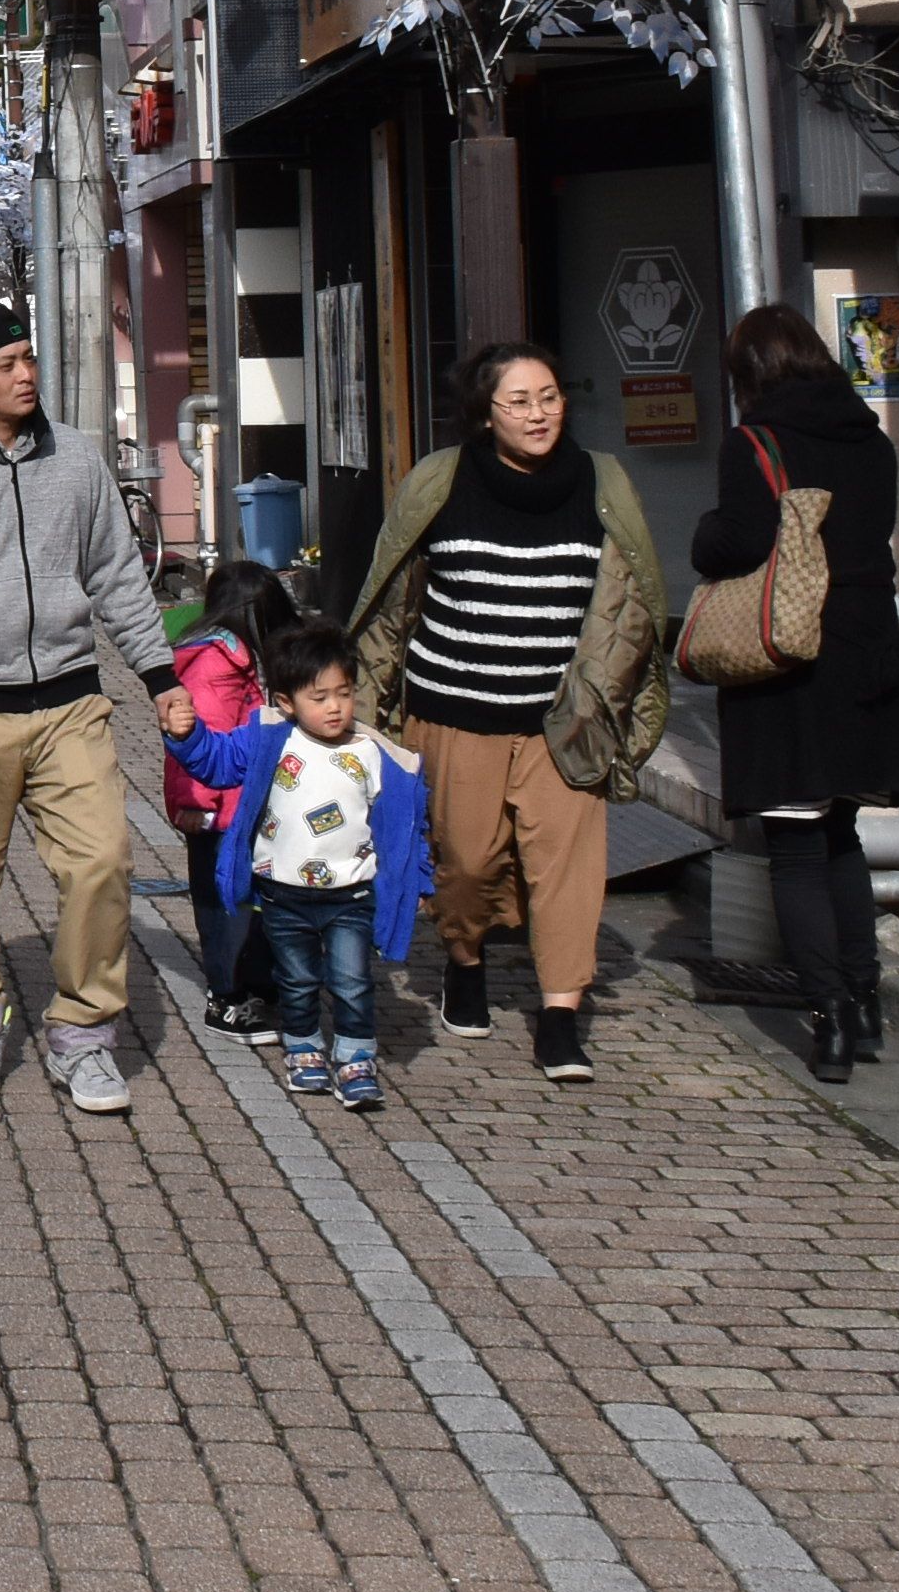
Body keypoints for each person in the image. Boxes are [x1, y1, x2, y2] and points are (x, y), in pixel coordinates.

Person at [0, 293, 198, 1111]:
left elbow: (120, 577)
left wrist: (158, 676)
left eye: (29, 360)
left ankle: (83, 1037)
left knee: (102, 865)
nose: (26, 376)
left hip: (71, 709)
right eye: (5, 365)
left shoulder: (80, 460)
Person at [346, 341, 671, 1085]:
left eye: (550, 396)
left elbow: (635, 598)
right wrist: (368, 701)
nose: (539, 413)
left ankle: (561, 1017)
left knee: (568, 872)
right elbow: (392, 597)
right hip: (454, 710)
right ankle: (465, 961)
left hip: (564, 720)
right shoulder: (441, 481)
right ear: (486, 413)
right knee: (464, 865)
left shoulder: (603, 482)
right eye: (520, 401)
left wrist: (617, 694)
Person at [690, 302, 899, 1083]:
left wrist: (702, 535)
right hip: (867, 660)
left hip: (792, 664)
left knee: (794, 850)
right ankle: (866, 1002)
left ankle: (826, 1018)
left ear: (750, 376)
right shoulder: (872, 442)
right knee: (841, 837)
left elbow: (740, 541)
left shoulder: (754, 442)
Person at [164, 617, 431, 1110]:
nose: (334, 707)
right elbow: (218, 763)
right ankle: (304, 1047)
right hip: (283, 894)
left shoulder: (373, 753)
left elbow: (405, 825)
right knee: (298, 980)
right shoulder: (269, 738)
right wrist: (187, 736)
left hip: (350, 895)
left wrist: (415, 876)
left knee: (352, 980)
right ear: (286, 702)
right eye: (320, 696)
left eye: (343, 693)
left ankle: (355, 1057)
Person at [169, 557, 300, 1039]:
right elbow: (205, 744)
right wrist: (201, 807)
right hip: (216, 812)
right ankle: (225, 995)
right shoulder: (215, 664)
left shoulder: (248, 659)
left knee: (259, 899)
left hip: (253, 806)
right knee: (223, 906)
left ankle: (260, 985)